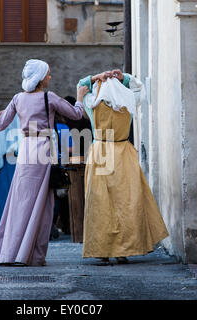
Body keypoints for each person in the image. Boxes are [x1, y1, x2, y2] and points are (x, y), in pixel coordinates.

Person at [0, 59, 89, 266]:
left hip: (25, 150)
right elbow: (77, 114)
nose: (50, 77)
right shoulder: (48, 97)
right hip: (43, 149)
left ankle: (9, 253)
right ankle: (32, 255)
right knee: (43, 204)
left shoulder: (17, 98)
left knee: (20, 201)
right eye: (48, 74)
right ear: (41, 78)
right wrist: (79, 97)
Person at [78, 69, 169, 264]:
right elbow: (138, 87)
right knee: (125, 201)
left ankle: (101, 250)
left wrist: (96, 77)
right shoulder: (127, 103)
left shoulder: (92, 104)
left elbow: (81, 85)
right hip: (123, 152)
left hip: (101, 153)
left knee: (100, 202)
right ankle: (123, 250)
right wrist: (123, 78)